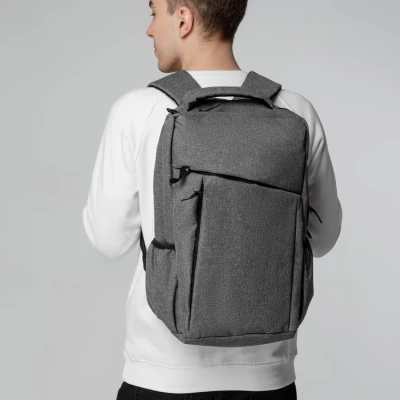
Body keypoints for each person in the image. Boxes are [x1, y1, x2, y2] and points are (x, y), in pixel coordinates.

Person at [82, 0, 343, 399]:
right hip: (268, 378)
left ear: (183, 18)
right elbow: (324, 239)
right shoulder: (296, 110)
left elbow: (108, 240)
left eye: (153, 12)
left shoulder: (138, 110)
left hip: (163, 376)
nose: (149, 29)